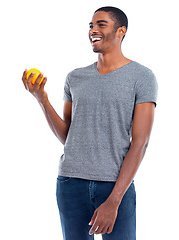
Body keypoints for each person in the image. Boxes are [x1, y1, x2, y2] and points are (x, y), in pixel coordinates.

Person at [22, 6, 158, 240]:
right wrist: (42, 99)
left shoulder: (142, 77)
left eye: (101, 24)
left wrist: (113, 201)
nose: (93, 30)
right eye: (90, 26)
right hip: (70, 184)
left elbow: (140, 143)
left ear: (121, 31)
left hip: (115, 186)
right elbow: (69, 136)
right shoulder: (75, 77)